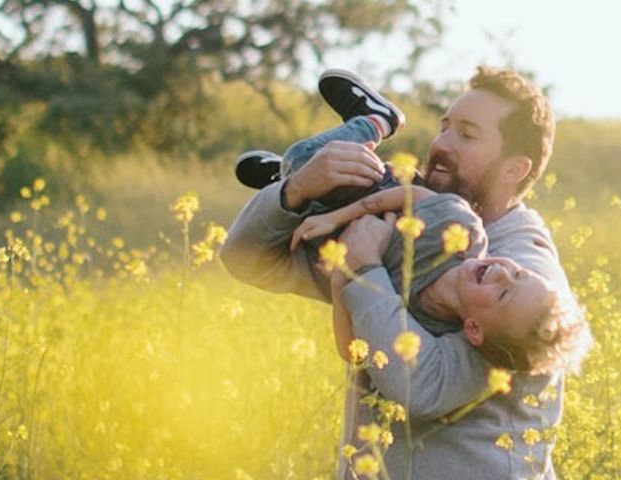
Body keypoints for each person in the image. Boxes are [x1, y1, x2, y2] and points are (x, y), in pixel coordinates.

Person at [222, 66, 590, 479]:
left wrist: (363, 267)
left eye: (467, 135)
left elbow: (425, 384)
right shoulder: (406, 235)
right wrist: (296, 191)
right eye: (444, 127)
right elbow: (244, 258)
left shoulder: (526, 278)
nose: (441, 144)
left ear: (513, 169)